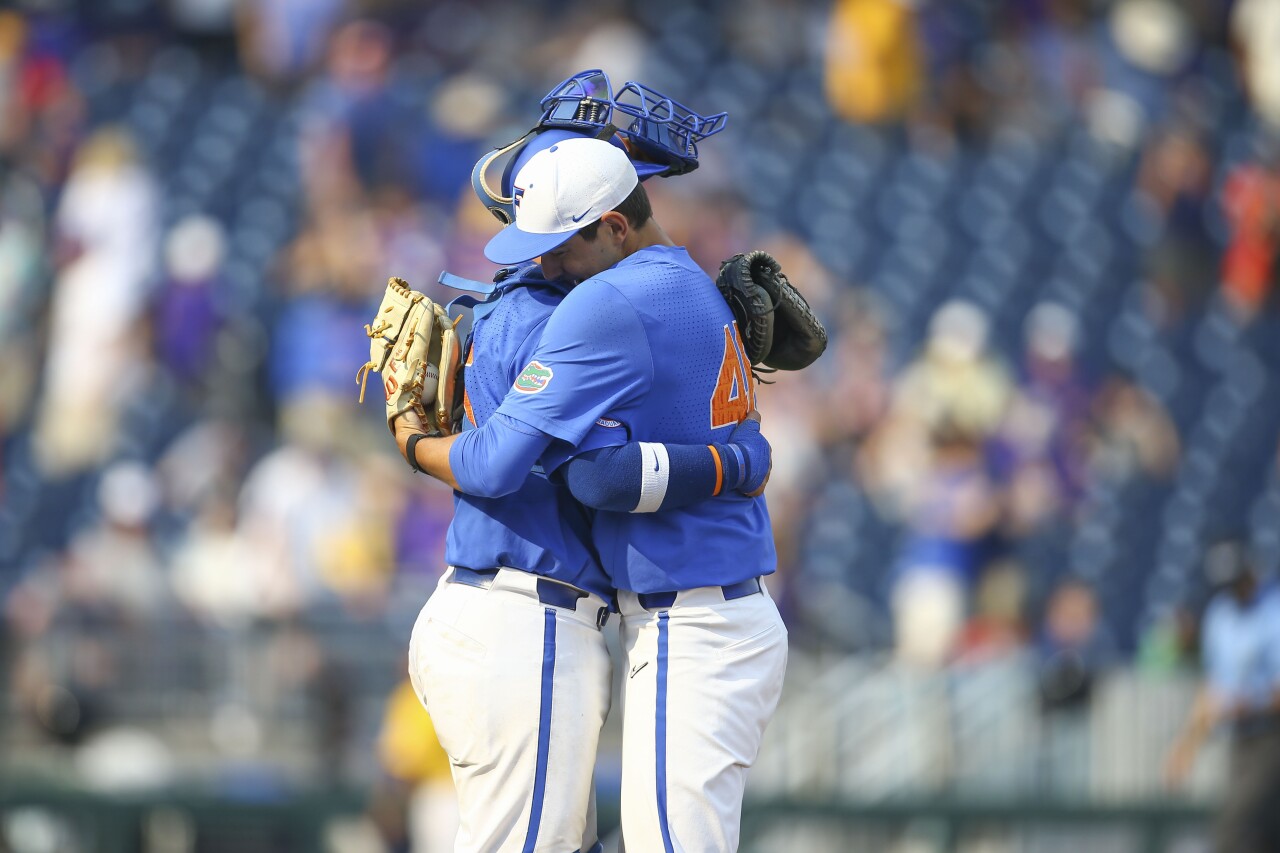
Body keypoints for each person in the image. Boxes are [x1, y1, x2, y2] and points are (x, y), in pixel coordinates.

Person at [402, 74, 771, 853]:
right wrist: (739, 459)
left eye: (559, 240)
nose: (549, 258)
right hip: (581, 615)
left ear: (613, 223)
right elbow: (594, 475)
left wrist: (408, 441)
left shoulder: (604, 302)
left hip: (681, 619)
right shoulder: (686, 287)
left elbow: (576, 474)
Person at [1165, 540, 1280, 853]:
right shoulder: (1220, 615)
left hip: (1273, 736)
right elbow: (1214, 686)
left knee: (1236, 825)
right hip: (1239, 738)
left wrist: (1250, 701)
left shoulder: (1274, 610)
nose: (1235, 591)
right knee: (1262, 834)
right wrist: (1186, 745)